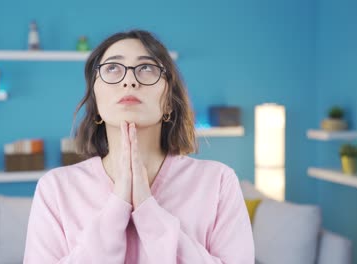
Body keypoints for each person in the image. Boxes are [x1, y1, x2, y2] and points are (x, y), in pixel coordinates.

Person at [24, 30, 254, 263]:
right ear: (95, 103)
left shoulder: (218, 182)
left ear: (168, 104)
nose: (129, 80)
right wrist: (117, 206)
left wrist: (147, 209)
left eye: (146, 68)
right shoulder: (55, 189)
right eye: (112, 68)